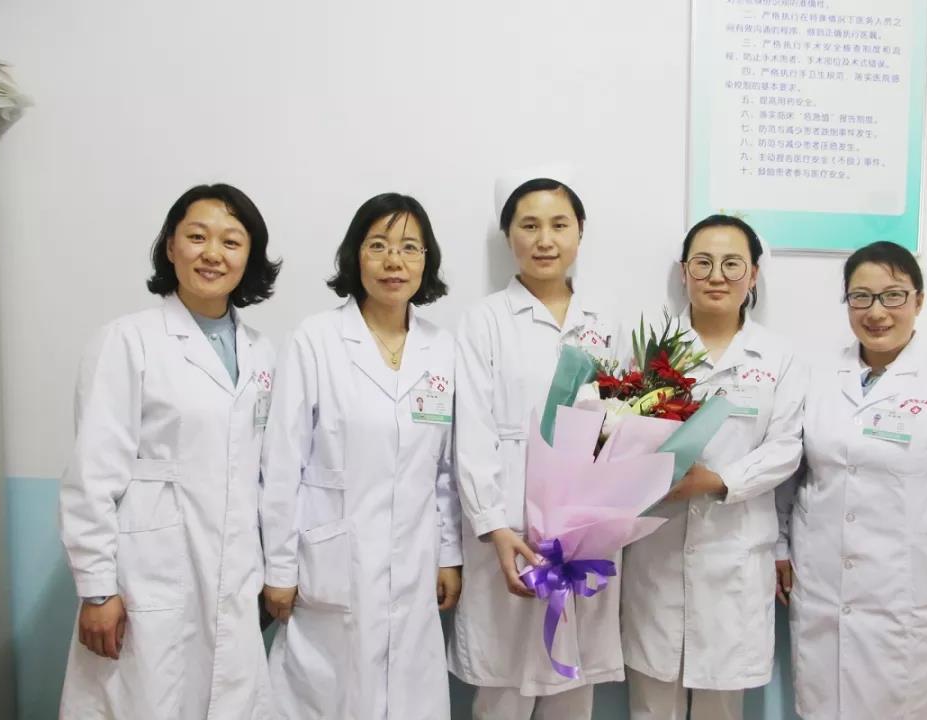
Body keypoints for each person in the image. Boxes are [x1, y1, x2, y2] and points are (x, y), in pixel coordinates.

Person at [59, 183, 281, 719]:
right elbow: (92, 475)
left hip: (234, 576)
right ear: (171, 247)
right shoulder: (127, 340)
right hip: (148, 576)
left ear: (249, 256)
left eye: (231, 241)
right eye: (197, 237)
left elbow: (260, 472)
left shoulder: (262, 352)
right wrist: (97, 590)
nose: (213, 253)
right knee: (145, 699)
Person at [776, 241, 927, 718]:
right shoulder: (817, 377)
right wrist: (780, 546)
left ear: (918, 300)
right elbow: (789, 472)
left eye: (893, 295)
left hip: (907, 594)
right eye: (861, 297)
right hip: (822, 588)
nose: (876, 311)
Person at [260, 193, 462, 720]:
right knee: (328, 693)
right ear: (356, 255)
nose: (394, 261)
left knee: (408, 694)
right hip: (332, 559)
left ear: (426, 261)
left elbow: (444, 468)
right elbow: (282, 463)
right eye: (378, 246)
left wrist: (447, 554)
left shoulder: (441, 348)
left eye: (410, 248)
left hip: (414, 559)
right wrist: (279, 567)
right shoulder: (317, 339)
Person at [447, 169, 620, 719]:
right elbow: (472, 432)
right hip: (510, 531)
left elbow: (622, 426)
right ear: (509, 236)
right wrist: (495, 527)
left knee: (572, 688)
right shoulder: (483, 321)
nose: (545, 240)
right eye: (529, 226)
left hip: (583, 537)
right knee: (503, 693)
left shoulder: (605, 323)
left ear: (580, 232)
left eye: (559, 225)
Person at [621, 215, 804, 720]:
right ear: (684, 272)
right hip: (657, 552)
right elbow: (617, 427)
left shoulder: (778, 356)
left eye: (731, 264)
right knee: (651, 707)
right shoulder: (651, 349)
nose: (716, 276)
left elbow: (786, 446)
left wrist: (720, 481)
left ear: (753, 274)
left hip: (734, 555)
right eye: (702, 263)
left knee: (720, 710)